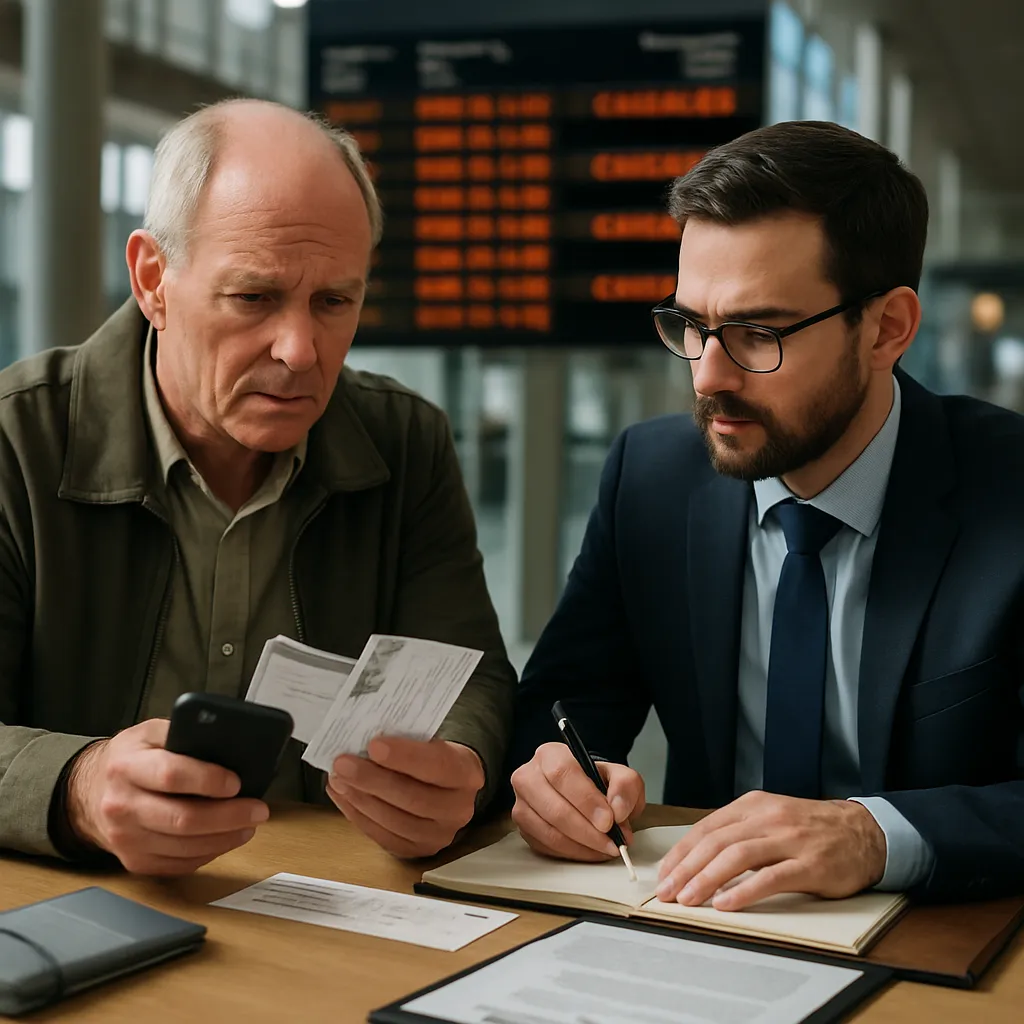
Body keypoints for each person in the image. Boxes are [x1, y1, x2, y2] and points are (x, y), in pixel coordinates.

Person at [508, 121, 1024, 907]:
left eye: (757, 334)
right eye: (690, 326)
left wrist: (875, 835)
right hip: (699, 918)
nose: (707, 376)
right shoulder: (649, 480)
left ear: (887, 329)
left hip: (943, 935)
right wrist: (559, 778)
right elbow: (563, 710)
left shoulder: (1009, 491)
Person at [0, 99, 516, 875]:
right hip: (77, 900)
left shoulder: (405, 441)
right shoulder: (17, 441)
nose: (300, 350)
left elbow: (471, 674)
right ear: (153, 280)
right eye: (254, 298)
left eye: (334, 302)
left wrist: (456, 766)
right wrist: (75, 788)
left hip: (326, 898)